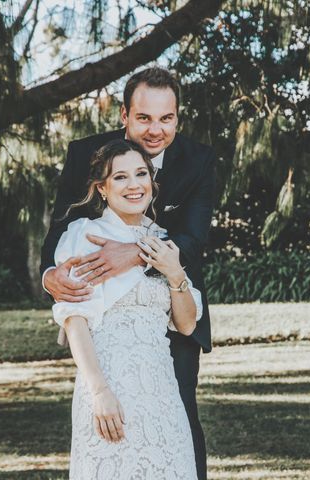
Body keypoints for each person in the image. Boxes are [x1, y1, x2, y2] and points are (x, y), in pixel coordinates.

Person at [40, 67, 216, 479]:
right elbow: (58, 233)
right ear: (124, 115)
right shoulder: (88, 156)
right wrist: (51, 276)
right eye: (144, 118)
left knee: (180, 429)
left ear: (178, 117)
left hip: (169, 317)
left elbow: (191, 239)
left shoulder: (199, 160)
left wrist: (136, 253)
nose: (155, 130)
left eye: (166, 118)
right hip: (107, 329)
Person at [52, 139, 201, 479]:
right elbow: (76, 321)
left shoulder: (162, 240)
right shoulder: (85, 235)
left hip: (161, 391)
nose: (134, 185)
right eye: (120, 177)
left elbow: (188, 324)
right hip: (109, 387)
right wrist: (99, 392)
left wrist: (174, 271)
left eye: (140, 174)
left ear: (152, 181)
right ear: (102, 188)